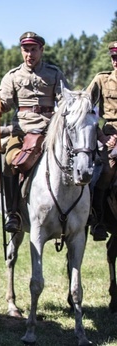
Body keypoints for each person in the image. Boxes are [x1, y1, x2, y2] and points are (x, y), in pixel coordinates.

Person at [0, 32, 68, 233]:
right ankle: (13, 212)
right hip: (22, 131)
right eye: (26, 49)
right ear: (21, 51)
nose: (29, 54)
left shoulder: (54, 73)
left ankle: (84, 209)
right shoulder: (13, 76)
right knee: (9, 162)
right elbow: (4, 106)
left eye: (33, 49)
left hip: (51, 130)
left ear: (41, 50)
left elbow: (65, 101)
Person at [85, 41, 117, 241]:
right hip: (111, 133)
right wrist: (101, 136)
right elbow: (84, 108)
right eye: (114, 57)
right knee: (106, 171)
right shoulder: (102, 80)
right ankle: (97, 220)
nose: (116, 62)